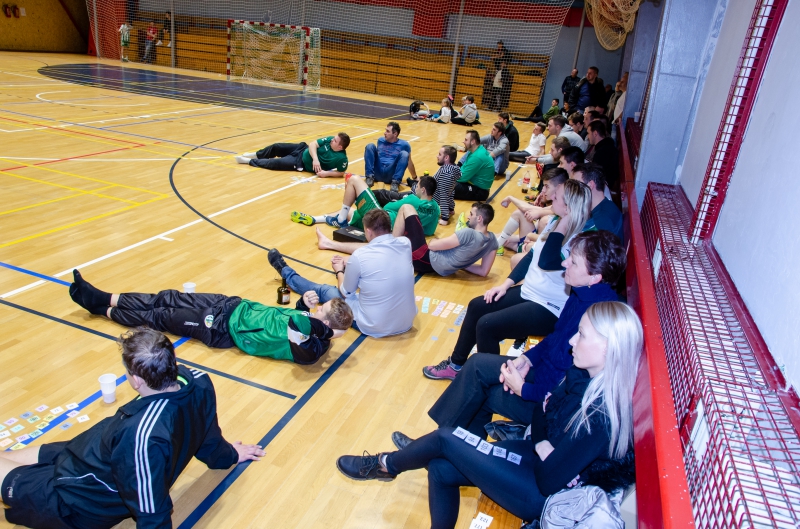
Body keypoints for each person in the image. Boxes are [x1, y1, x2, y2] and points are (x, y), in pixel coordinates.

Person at [336, 298, 641, 528]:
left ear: (608, 347)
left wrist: (542, 442)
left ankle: (386, 465)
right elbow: (540, 413)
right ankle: (391, 465)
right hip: (534, 459)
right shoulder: (579, 374)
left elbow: (549, 480)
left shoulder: (602, 416)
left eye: (582, 335)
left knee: (444, 438)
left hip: (539, 494)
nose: (573, 340)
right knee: (440, 469)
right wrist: (543, 444)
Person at [0, 327, 266, 528]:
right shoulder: (198, 380)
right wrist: (228, 455)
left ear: (137, 380)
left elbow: (151, 511)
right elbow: (208, 434)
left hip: (79, 495)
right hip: (87, 452)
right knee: (10, 456)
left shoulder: (143, 438)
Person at [423, 179, 594, 380]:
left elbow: (547, 260)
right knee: (477, 306)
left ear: (568, 207)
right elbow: (532, 257)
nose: (552, 197)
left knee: (487, 325)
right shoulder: (554, 222)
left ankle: (489, 380)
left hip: (549, 307)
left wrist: (563, 224)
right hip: (529, 292)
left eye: (557, 196)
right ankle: (456, 365)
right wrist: (505, 284)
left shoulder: (578, 239)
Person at [68, 270, 353, 364]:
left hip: (220, 329)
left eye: (321, 310)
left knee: (161, 316)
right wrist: (303, 303)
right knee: (167, 297)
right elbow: (294, 317)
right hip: (231, 305)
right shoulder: (311, 326)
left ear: (326, 326)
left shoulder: (311, 349)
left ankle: (102, 310)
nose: (317, 308)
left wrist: (328, 330)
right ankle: (104, 297)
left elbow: (297, 325)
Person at [272, 209, 416, 338]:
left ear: (368, 231)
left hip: (373, 326)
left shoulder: (360, 255)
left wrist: (339, 270)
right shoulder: (405, 243)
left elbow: (346, 292)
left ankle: (286, 271)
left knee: (324, 291)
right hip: (406, 322)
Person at [318, 202, 498, 278]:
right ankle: (387, 248)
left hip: (426, 258)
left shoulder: (468, 233)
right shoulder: (492, 241)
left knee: (406, 207)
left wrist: (453, 254)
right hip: (437, 268)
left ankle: (387, 249)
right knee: (387, 246)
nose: (468, 217)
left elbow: (433, 245)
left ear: (479, 219)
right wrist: (459, 263)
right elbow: (483, 271)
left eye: (471, 214)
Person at [291, 175, 440, 236]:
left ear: (423, 190)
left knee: (354, 180)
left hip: (382, 220)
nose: (415, 188)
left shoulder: (413, 200)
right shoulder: (436, 209)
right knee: (352, 213)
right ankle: (315, 219)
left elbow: (387, 208)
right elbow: (429, 232)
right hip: (388, 232)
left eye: (417, 186)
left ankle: (340, 220)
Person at [494, 167, 568, 256]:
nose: (543, 190)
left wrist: (510, 198)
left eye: (547, 186)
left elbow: (527, 209)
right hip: (535, 243)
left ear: (559, 187)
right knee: (497, 237)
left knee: (520, 214)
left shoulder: (560, 208)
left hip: (537, 249)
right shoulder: (558, 205)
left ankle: (499, 244)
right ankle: (501, 242)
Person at [235, 133, 350, 177]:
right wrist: (315, 159)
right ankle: (255, 155)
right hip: (302, 149)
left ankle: (248, 161)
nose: (332, 140)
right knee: (277, 146)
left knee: (275, 163)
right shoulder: (329, 140)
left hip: (301, 163)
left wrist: (326, 173)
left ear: (340, 147)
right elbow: (313, 144)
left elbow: (341, 173)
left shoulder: (342, 159)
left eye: (335, 141)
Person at [397, 145, 460, 225]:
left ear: (446, 157)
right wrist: (451, 208)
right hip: (425, 192)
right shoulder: (453, 169)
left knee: (394, 197)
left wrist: (445, 218)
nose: (437, 156)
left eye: (440, 154)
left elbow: (444, 195)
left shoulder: (446, 174)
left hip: (422, 196)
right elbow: (451, 192)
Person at [572, 163, 622, 242]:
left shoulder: (602, 220)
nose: (571, 190)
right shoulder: (604, 206)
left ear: (590, 185)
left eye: (575, 185)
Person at [364, 122, 413, 192]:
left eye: (387, 131)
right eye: (385, 130)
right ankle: (369, 177)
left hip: (391, 174)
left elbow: (409, 162)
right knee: (370, 146)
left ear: (395, 134)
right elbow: (374, 157)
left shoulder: (405, 145)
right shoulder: (380, 140)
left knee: (404, 154)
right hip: (378, 172)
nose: (384, 133)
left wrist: (415, 177)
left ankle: (395, 182)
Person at [454, 130, 495, 202]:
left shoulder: (477, 157)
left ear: (473, 141)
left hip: (480, 191)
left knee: (447, 185)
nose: (463, 141)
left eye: (466, 140)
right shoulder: (476, 150)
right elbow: (463, 168)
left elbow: (462, 178)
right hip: (474, 185)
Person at [585, 120, 620, 191]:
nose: (588, 137)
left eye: (588, 133)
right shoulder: (606, 147)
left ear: (595, 133)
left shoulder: (603, 152)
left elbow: (595, 176)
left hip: (601, 188)